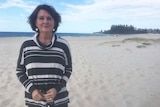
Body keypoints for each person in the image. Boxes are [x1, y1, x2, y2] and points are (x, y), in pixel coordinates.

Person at [16, 4, 72, 107]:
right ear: (35, 22)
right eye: (41, 18)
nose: (45, 21)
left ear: (55, 22)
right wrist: (32, 90)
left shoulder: (63, 45)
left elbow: (68, 69)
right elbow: (20, 71)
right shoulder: (26, 46)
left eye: (49, 18)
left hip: (59, 100)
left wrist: (56, 88)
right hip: (34, 101)